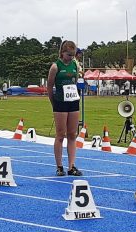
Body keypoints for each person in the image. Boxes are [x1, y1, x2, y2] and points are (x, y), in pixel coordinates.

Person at [46, 40, 82, 176]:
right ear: (62, 53)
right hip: (60, 102)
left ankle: (71, 166)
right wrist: (53, 101)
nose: (71, 57)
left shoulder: (75, 65)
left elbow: (76, 81)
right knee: (61, 134)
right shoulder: (55, 67)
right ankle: (59, 166)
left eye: (73, 55)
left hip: (73, 101)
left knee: (73, 134)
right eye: (69, 55)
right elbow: (49, 86)